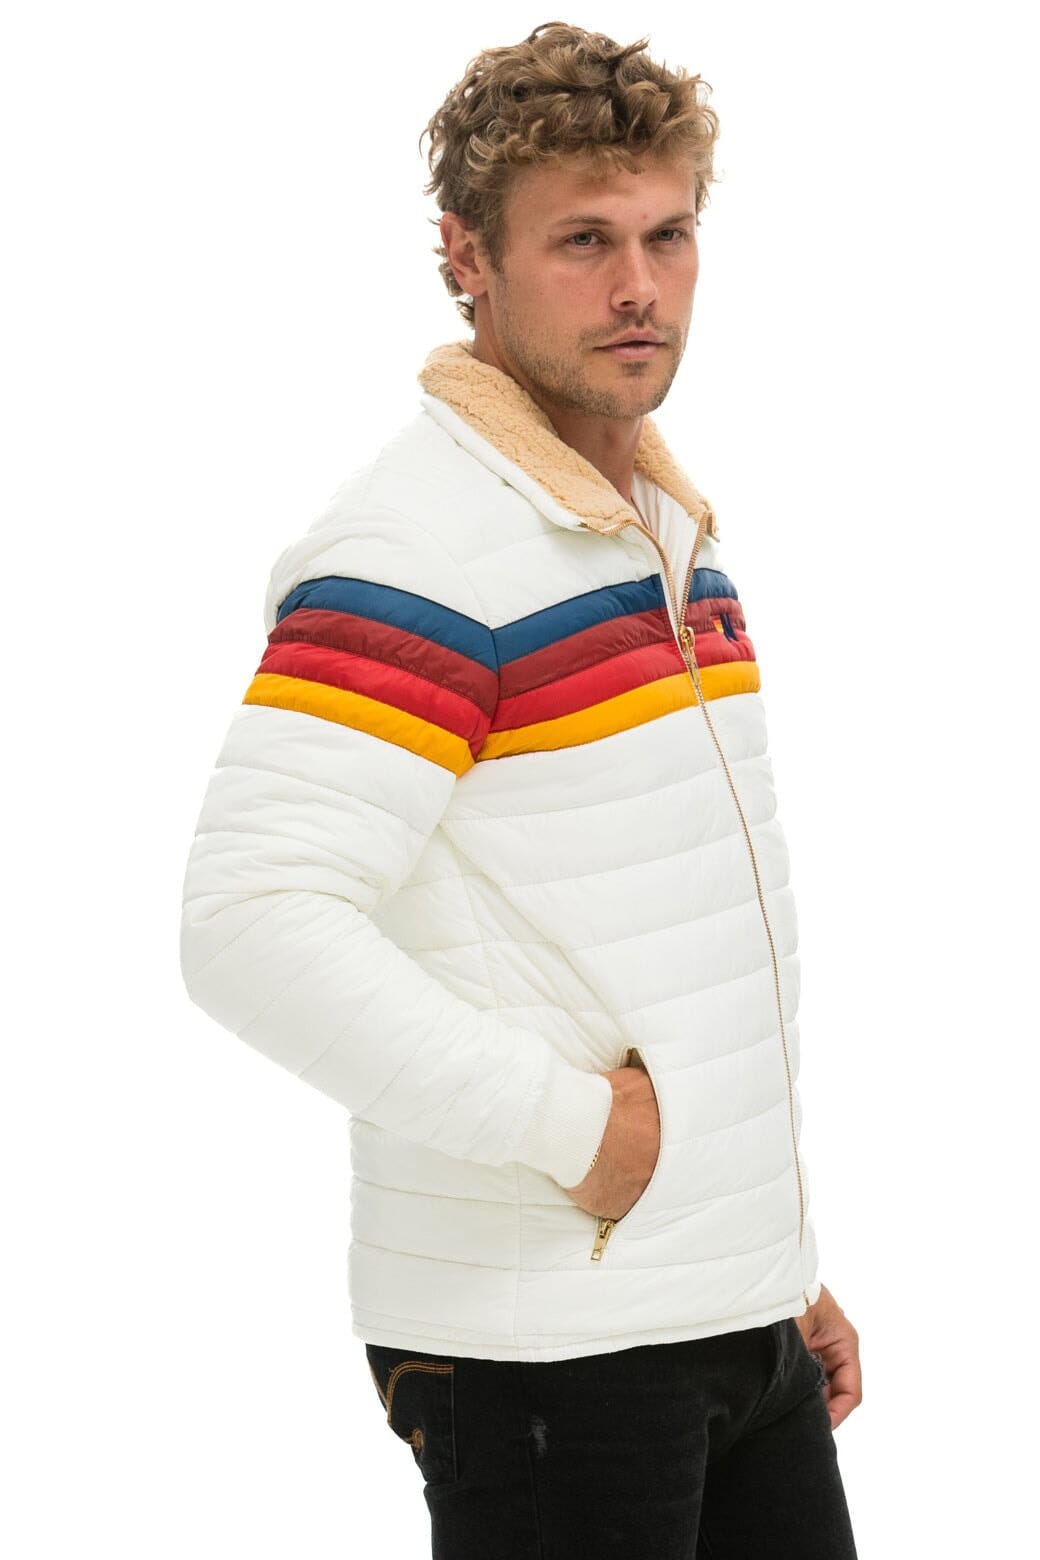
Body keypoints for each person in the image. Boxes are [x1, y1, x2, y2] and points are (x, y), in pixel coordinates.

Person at [179, 21, 861, 1558]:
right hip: (552, 1354)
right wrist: (583, 1135)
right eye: (583, 240)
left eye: (667, 234)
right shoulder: (420, 555)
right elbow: (247, 921)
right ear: (466, 259)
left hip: (722, 1313)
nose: (638, 287)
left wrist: (771, 1257)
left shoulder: (658, 529)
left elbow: (639, 937)